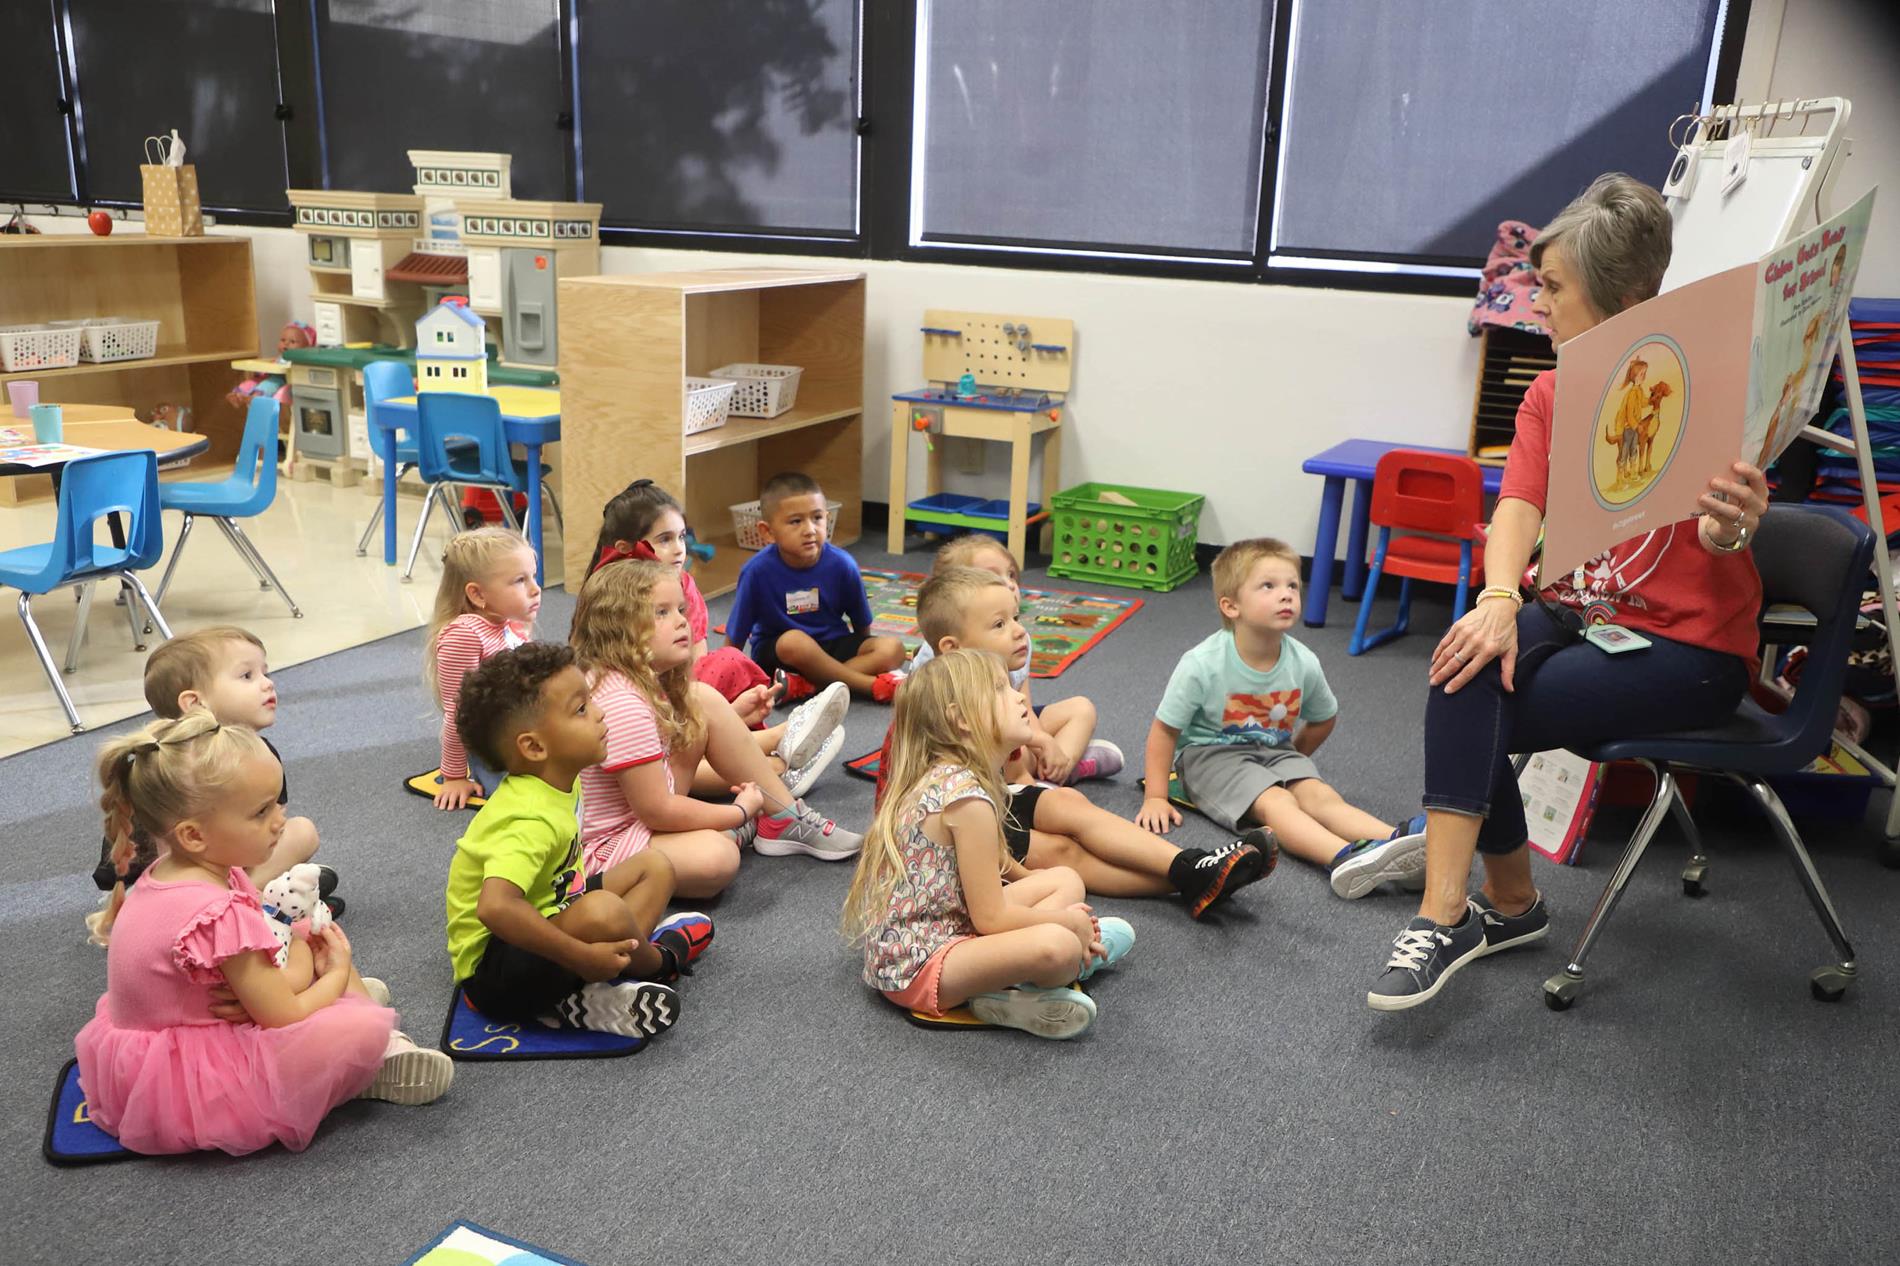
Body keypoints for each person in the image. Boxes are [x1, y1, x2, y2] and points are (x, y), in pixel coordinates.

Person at [1367, 173, 1768, 1011]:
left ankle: (1483, 906)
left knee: (1492, 705)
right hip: (1581, 609)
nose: (1535, 301)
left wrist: (1732, 527)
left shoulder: (1713, 389)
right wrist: (1500, 600)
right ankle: (1483, 907)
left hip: (1689, 646)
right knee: (1466, 662)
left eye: (1552, 286)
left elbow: (1720, 533)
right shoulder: (1553, 391)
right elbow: (1517, 502)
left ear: (1622, 299)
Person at [76, 710, 451, 1155]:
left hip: (145, 1058)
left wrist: (300, 958)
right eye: (260, 812)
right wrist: (334, 972)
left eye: (277, 802)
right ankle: (372, 1058)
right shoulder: (216, 909)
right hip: (200, 1084)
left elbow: (264, 964)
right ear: (194, 835)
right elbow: (283, 1015)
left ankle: (347, 1000)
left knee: (307, 940)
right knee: (342, 997)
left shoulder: (170, 874)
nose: (280, 819)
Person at [893, 566, 1272, 917]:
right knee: (1062, 851)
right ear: (952, 649)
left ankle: (1194, 864)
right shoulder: (941, 706)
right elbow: (921, 803)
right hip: (957, 826)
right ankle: (1195, 876)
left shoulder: (996, 689)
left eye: (1015, 618)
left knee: (1067, 803)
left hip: (992, 794)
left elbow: (1009, 775)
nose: (1019, 630)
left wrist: (1042, 792)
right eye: (999, 624)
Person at [842, 650, 1132, 1039]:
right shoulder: (966, 801)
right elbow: (991, 919)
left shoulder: (964, 777)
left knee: (1065, 878)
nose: (1017, 695)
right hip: (921, 964)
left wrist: (1043, 897)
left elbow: (1000, 874)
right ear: (961, 719)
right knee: (1057, 947)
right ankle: (1053, 970)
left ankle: (1019, 979)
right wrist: (1063, 921)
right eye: (999, 689)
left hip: (953, 925)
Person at [1139, 538, 1427, 898]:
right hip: (1210, 757)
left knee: (1320, 795)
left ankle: (1397, 842)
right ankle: (1343, 857)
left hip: (1275, 750)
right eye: (1268, 586)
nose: (1287, 594)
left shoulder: (1303, 662)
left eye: (1293, 585)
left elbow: (1324, 718)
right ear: (1231, 606)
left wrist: (1294, 761)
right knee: (1279, 803)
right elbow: (1165, 731)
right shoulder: (1201, 664)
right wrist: (1155, 796)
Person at [570, 558, 864, 895]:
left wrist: (732, 717)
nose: (683, 622)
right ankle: (751, 820)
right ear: (618, 628)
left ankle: (784, 816)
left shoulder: (632, 680)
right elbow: (658, 811)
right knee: (716, 858)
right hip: (607, 845)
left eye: (680, 609)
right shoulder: (620, 701)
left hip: (642, 815)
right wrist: (735, 815)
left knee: (701, 700)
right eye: (662, 613)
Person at [445, 642, 695, 1036]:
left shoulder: (560, 778)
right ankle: (655, 964)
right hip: (494, 974)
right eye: (581, 710)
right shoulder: (528, 817)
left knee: (655, 866)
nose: (599, 714)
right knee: (604, 912)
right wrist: (580, 955)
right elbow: (495, 908)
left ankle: (597, 979)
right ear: (534, 747)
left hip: (554, 906)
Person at [590, 478, 849, 795]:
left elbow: (695, 668)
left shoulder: (684, 585)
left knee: (730, 662)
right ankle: (779, 756)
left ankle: (767, 749)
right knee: (685, 755)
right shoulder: (614, 602)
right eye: (665, 539)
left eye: (682, 536)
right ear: (625, 550)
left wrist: (731, 710)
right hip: (645, 715)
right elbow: (637, 694)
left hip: (678, 702)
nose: (679, 548)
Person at [87, 626, 333, 946]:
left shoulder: (247, 753)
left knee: (300, 832)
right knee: (298, 841)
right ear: (194, 702)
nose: (267, 682)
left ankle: (257, 896)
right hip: (168, 887)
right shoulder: (184, 767)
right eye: (247, 676)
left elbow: (262, 831)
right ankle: (250, 908)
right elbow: (200, 850)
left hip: (198, 867)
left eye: (265, 671)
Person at [906, 534, 1120, 782]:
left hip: (1010, 723)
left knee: (1082, 709)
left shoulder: (1017, 640)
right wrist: (1035, 742)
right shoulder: (936, 666)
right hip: (962, 744)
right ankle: (1044, 779)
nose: (1008, 584)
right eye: (993, 577)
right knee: (1011, 750)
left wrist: (1044, 742)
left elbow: (1024, 706)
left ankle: (1060, 768)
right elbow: (930, 734)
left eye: (1011, 575)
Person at [725, 471, 906, 701]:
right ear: (768, 532)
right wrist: (727, 677)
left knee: (894, 648)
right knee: (795, 641)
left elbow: (862, 624)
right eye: (796, 521)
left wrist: (869, 651)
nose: (810, 529)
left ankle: (808, 686)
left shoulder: (842, 564)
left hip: (832, 643)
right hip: (781, 652)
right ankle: (867, 685)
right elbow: (736, 635)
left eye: (817, 518)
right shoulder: (756, 571)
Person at [424, 527, 541, 810]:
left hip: (523, 727)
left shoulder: (507, 622)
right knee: (525, 802)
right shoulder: (464, 635)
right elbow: (459, 712)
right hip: (495, 744)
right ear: (477, 595)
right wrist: (452, 776)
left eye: (533, 576)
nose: (535, 589)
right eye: (519, 580)